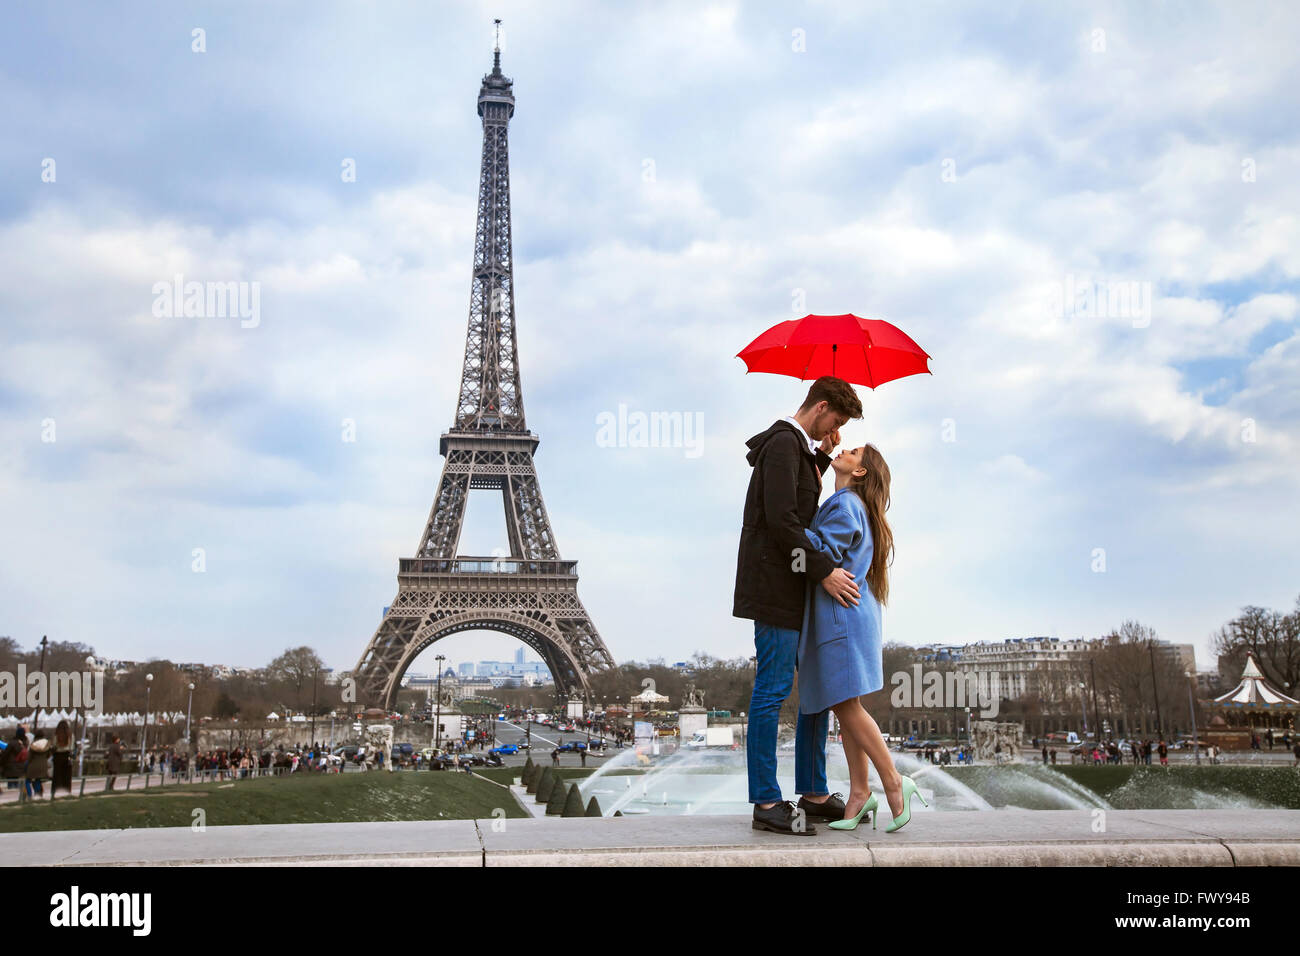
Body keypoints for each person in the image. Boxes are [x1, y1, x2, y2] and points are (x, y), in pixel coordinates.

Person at [733, 376, 864, 836]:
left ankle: (812, 791)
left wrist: (826, 455)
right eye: (839, 419)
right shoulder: (786, 444)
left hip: (792, 585)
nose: (840, 427)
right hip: (776, 588)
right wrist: (825, 570)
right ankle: (767, 801)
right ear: (822, 406)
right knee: (771, 691)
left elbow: (798, 506)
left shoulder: (796, 448)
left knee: (813, 692)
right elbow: (783, 520)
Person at [796, 444, 925, 832]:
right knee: (845, 706)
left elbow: (822, 552)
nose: (845, 449)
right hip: (850, 618)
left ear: (860, 472)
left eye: (854, 451)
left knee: (846, 707)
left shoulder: (844, 505)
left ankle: (894, 780)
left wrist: (786, 524)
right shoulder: (851, 505)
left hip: (841, 621)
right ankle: (858, 792)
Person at [25, 731, 51, 799]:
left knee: (27, 780)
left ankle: (29, 795)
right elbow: (48, 755)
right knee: (38, 780)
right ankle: (38, 795)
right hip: (43, 766)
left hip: (33, 766)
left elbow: (29, 757)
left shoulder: (33, 745)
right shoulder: (47, 744)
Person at [52, 720, 73, 797]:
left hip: (58, 756)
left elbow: (54, 745)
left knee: (57, 776)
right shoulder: (70, 735)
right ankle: (67, 791)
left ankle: (55, 791)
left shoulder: (56, 735)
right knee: (66, 776)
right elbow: (72, 747)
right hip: (66, 755)